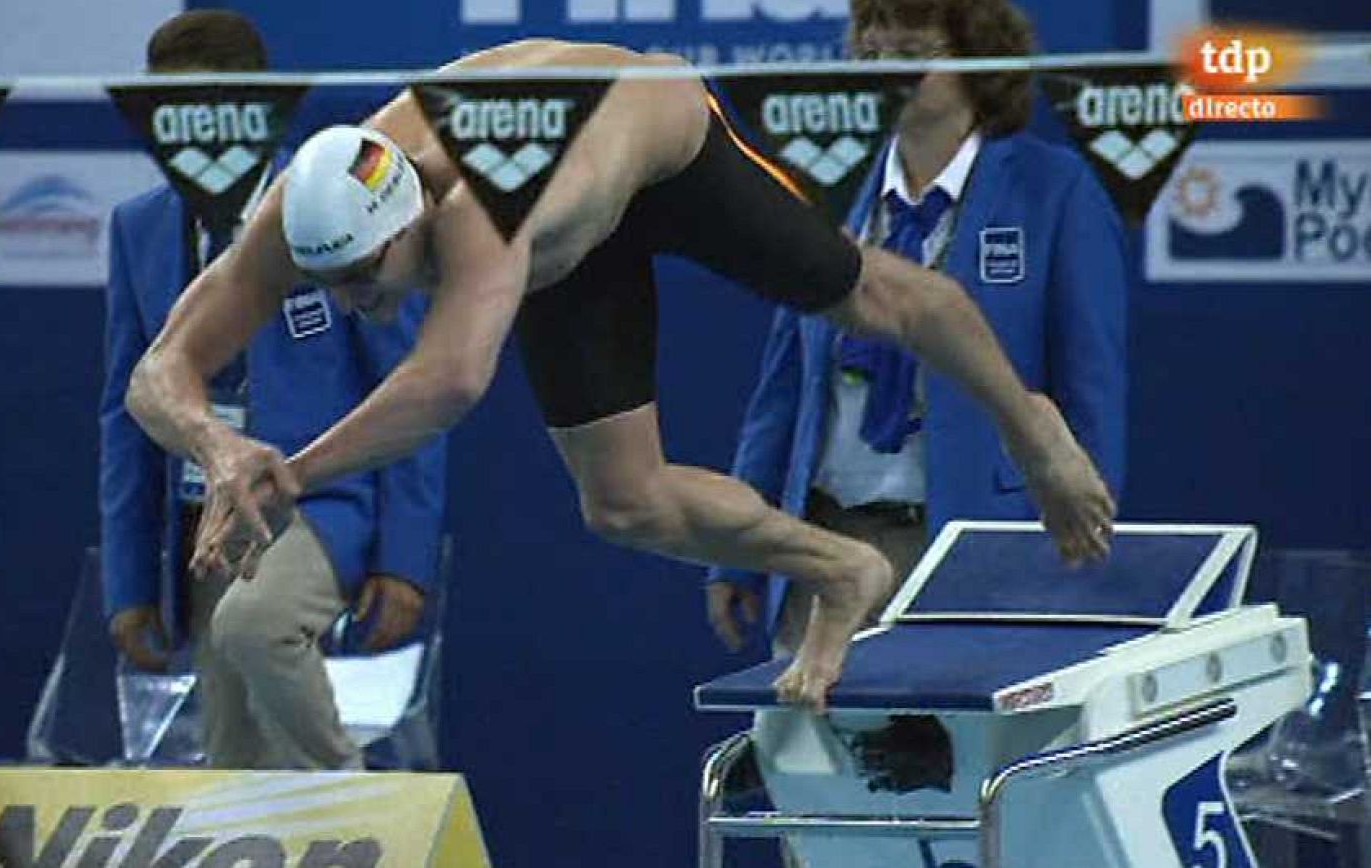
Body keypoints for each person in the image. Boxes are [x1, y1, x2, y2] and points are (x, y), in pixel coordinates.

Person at [125, 37, 1114, 709]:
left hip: (659, 142)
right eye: (325, 279)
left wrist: (290, 471)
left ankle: (1030, 425)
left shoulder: (482, 206)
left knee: (877, 295)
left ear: (412, 219)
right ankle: (839, 566)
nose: (348, 299)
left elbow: (450, 383)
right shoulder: (301, 212)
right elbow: (157, 371)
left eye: (363, 275)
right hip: (566, 238)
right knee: (624, 506)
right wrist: (218, 443)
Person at [705, 0, 1128, 658]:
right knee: (812, 758)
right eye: (871, 58)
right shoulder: (831, 192)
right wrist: (737, 549)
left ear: (976, 56)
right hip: (825, 549)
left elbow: (1092, 387)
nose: (886, 74)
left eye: (910, 54)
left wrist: (1084, 556)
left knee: (961, 756)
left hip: (979, 549)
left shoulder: (1052, 191)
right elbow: (780, 392)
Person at [100, 9, 446, 769]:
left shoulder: (337, 201)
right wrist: (127, 582)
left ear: (259, 105)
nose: (198, 132)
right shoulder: (140, 228)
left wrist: (406, 558)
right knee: (232, 755)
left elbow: (415, 386)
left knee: (257, 626)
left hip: (319, 505)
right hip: (204, 524)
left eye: (215, 108)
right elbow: (126, 417)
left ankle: (357, 801)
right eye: (174, 114)